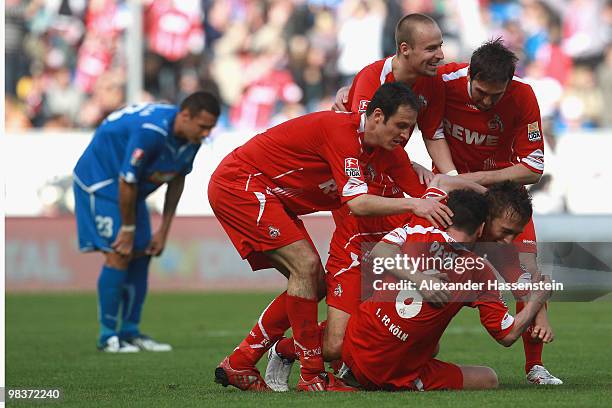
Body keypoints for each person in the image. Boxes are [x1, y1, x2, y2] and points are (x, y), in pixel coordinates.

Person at [209, 83, 453, 392]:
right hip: (241, 183)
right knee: (307, 267)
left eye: (411, 128)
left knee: (315, 282)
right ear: (377, 116)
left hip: (272, 197)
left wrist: (471, 202)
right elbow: (359, 204)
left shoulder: (386, 151)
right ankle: (312, 376)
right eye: (401, 125)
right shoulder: (342, 133)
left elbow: (427, 194)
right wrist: (416, 204)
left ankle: (241, 361)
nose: (405, 135)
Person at [431, 39, 561, 384]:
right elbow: (393, 83)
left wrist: (478, 178)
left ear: (509, 84)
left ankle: (535, 366)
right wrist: (350, 92)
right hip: (455, 201)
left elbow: (533, 167)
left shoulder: (522, 95)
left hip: (504, 200)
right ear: (468, 76)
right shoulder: (442, 80)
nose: (487, 102)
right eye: (481, 93)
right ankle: (399, 345)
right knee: (414, 269)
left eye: (496, 95)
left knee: (525, 275)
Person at [340, 188, 553, 391]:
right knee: (488, 377)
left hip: (354, 345)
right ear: (482, 225)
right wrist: (537, 301)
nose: (508, 242)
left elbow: (380, 250)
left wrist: (418, 278)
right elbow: (507, 335)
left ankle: (343, 365)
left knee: (431, 346)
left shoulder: (419, 226)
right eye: (506, 232)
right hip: (388, 371)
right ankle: (398, 378)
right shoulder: (478, 271)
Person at [73, 91, 220, 353]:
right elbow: (126, 179)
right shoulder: (150, 132)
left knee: (143, 254)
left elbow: (177, 178)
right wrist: (128, 229)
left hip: (132, 189)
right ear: (185, 116)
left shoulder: (191, 137)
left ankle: (130, 332)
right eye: (203, 126)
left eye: (210, 127)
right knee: (120, 253)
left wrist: (164, 230)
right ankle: (108, 336)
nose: (207, 133)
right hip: (101, 181)